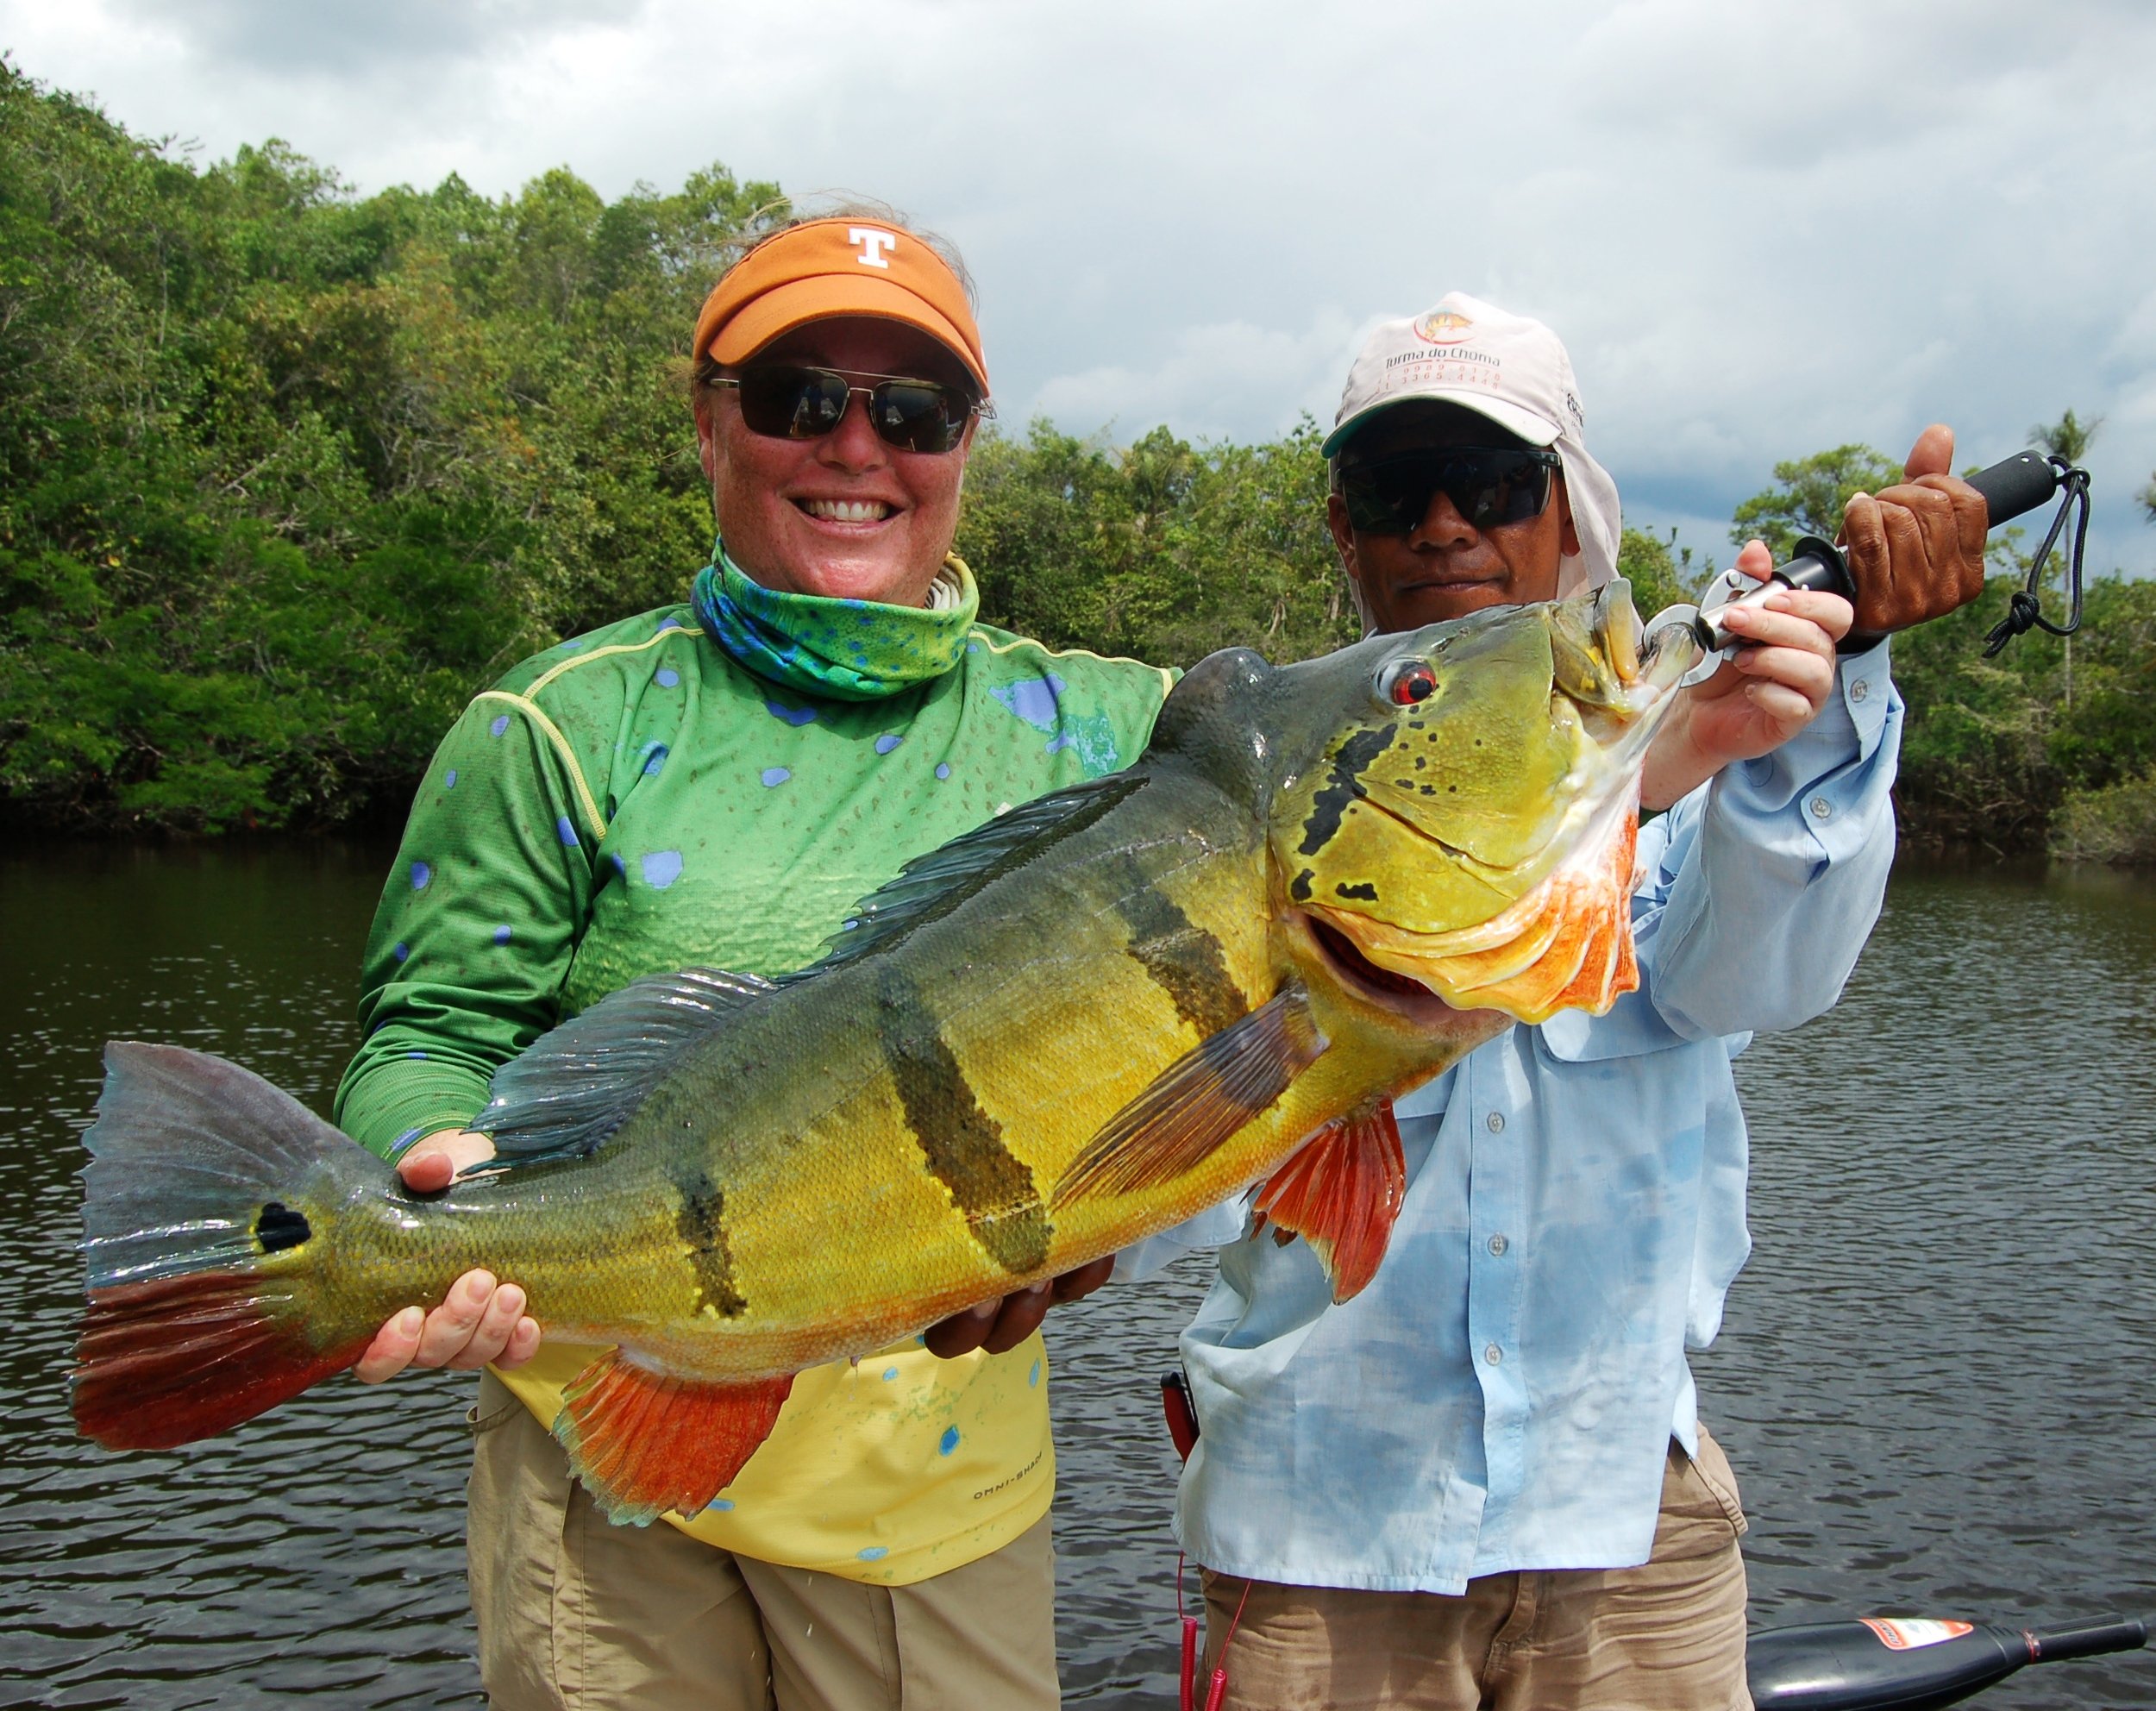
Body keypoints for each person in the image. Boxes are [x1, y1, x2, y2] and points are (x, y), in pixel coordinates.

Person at [1119, 293, 1986, 1710]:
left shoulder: (1687, 753)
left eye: (1495, 482)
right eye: (1397, 489)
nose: (1443, 524)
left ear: (1571, 510)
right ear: (1346, 530)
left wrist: (1828, 697)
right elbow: (1155, 1187)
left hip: (1628, 1521)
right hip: (1319, 1529)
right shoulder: (1238, 801)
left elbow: (1769, 975)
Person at [333, 210, 1151, 1710]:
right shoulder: (556, 726)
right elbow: (426, 1030)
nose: (858, 448)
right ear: (709, 424)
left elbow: (1331, 813)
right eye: (797, 398)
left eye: (916, 412)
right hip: (598, 1469)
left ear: (968, 442)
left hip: (934, 1502)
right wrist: (432, 1166)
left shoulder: (1113, 733)